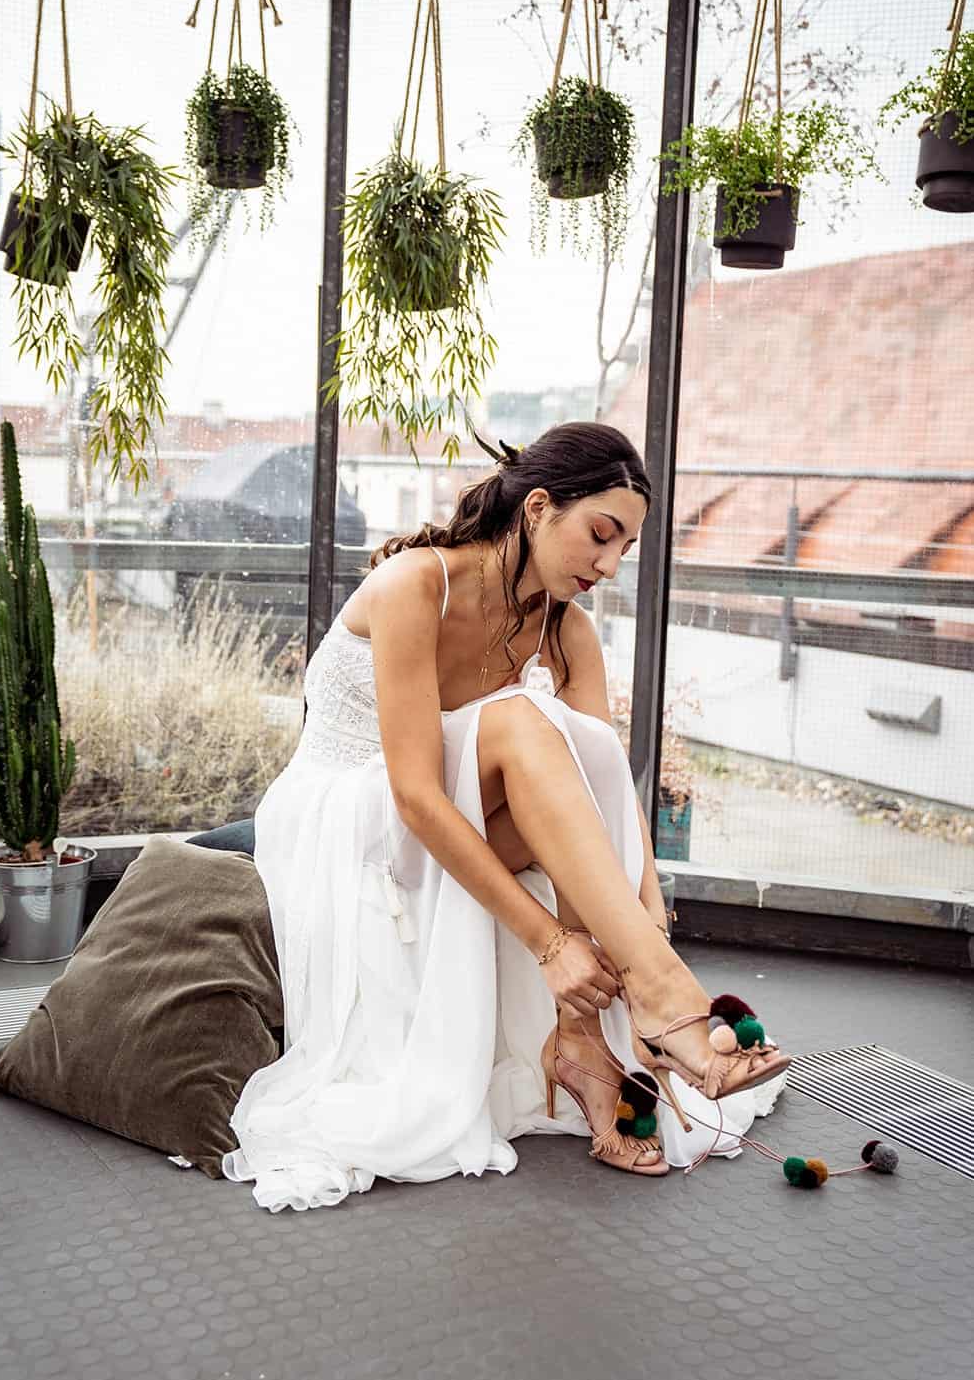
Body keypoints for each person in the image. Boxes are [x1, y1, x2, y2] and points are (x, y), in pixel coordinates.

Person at [222, 422, 790, 1213]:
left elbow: (603, 787)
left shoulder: (568, 629)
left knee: (580, 743)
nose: (608, 565)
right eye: (600, 535)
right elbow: (416, 794)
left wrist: (646, 904)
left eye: (624, 548)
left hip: (458, 815)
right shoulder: (415, 584)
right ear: (536, 508)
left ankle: (587, 1046)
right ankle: (664, 1003)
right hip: (349, 814)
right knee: (527, 720)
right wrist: (550, 941)